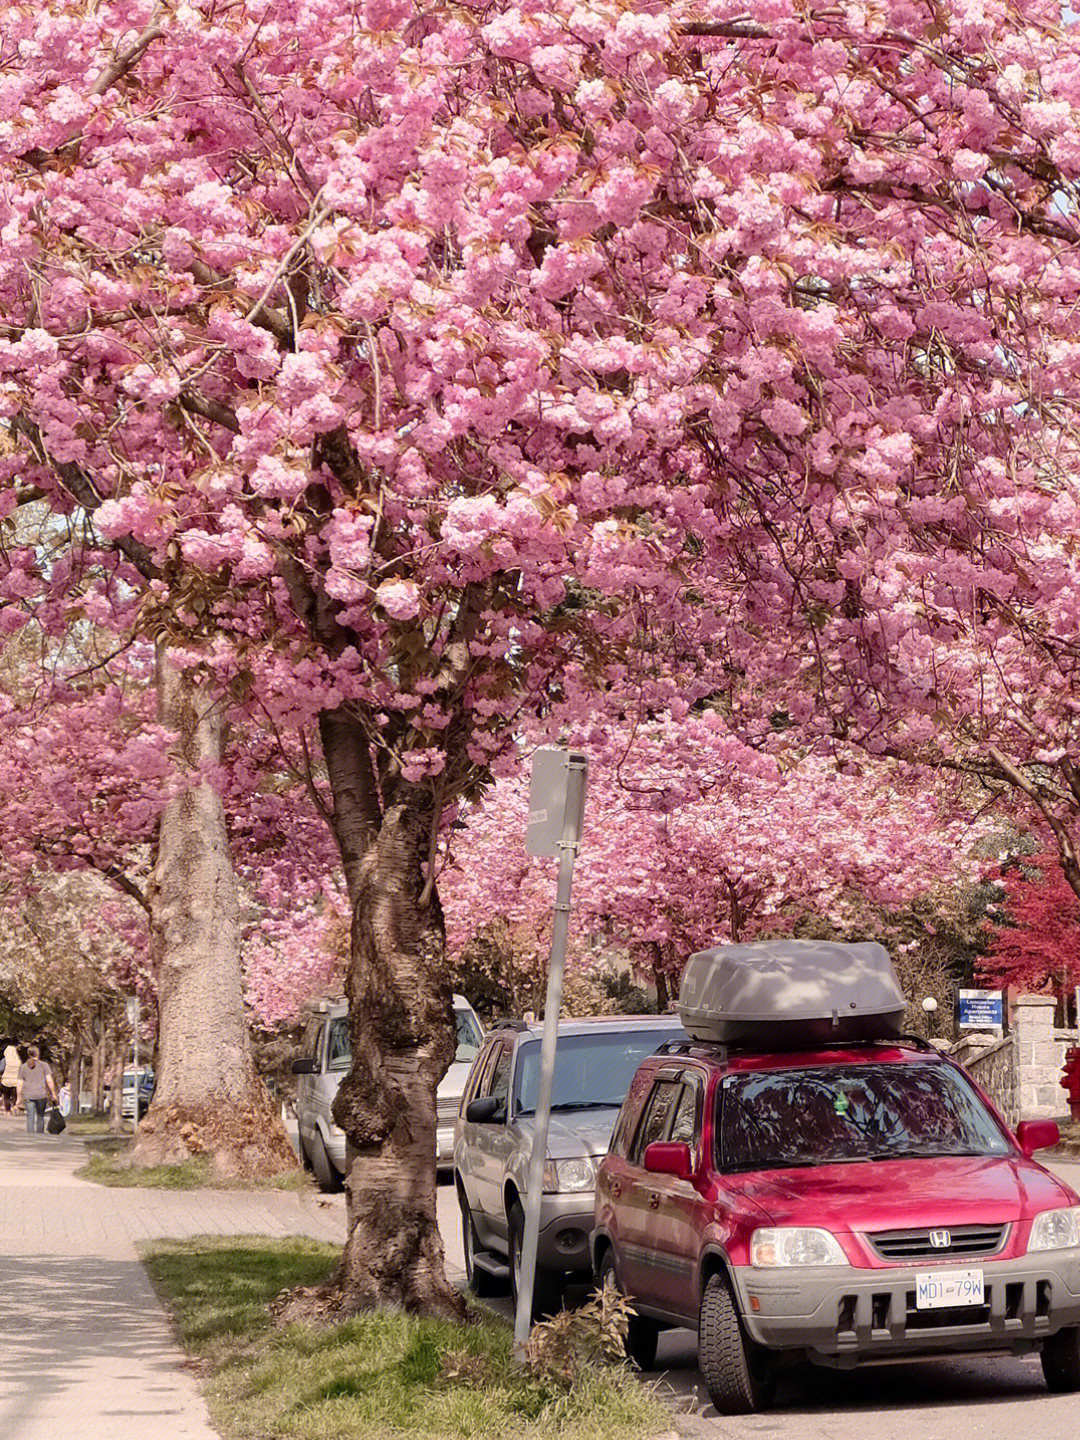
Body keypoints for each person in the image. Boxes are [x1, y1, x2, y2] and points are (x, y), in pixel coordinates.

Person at [16, 1045, 58, 1133]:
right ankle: (39, 1135)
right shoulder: (44, 1065)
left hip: (28, 1095)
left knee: (30, 1117)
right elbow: (49, 1081)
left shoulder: (23, 1067)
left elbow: (19, 1084)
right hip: (41, 1095)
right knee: (40, 1116)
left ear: (28, 1054)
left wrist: (18, 1097)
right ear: (38, 1053)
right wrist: (53, 1094)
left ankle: (30, 1136)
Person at [2, 1041, 20, 1114]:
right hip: (16, 1081)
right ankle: (15, 1107)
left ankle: (7, 1111)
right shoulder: (18, 1061)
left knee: (6, 1096)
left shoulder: (4, 1060)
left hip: (6, 1081)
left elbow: (1, 1069)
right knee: (15, 1096)